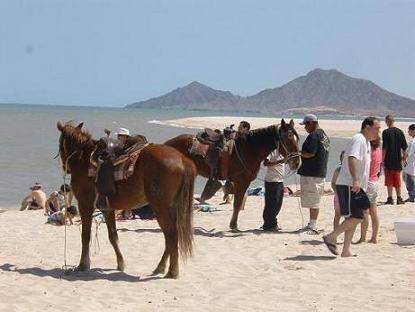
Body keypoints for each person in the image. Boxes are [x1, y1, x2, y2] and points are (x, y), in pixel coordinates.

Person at [323, 117, 380, 257]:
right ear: (367, 127)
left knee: (355, 217)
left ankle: (346, 250)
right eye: (377, 128)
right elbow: (352, 158)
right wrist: (355, 179)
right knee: (357, 217)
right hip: (349, 183)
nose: (379, 131)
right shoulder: (358, 139)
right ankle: (331, 237)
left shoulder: (366, 142)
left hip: (358, 185)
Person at [297, 114, 330, 233]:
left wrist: (298, 153)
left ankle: (313, 226)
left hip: (312, 173)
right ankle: (311, 223)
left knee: (314, 200)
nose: (305, 127)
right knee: (314, 199)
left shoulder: (314, 135)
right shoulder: (324, 135)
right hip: (319, 172)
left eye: (306, 124)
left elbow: (310, 153)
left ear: (311, 123)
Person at [355, 135, 382, 244]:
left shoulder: (368, 152)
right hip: (374, 181)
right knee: (374, 211)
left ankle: (363, 238)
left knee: (365, 212)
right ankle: (374, 237)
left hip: (366, 183)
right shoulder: (379, 150)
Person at [382, 114, 407, 205]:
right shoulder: (400, 132)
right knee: (397, 179)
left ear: (387, 121)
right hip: (397, 159)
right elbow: (404, 146)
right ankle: (399, 198)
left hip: (388, 159)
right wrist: (404, 157)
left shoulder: (386, 132)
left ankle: (390, 198)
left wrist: (382, 160)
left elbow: (385, 148)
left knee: (389, 180)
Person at [261, 149, 285, 231]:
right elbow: (265, 163)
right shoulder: (272, 151)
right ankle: (269, 224)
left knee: (278, 203)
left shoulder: (283, 152)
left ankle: (271, 223)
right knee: (271, 204)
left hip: (280, 180)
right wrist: (279, 161)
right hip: (271, 181)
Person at [331, 151, 345, 231]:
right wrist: (337, 192)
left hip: (348, 195)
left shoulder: (352, 170)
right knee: (337, 215)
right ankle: (335, 233)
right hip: (338, 195)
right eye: (343, 157)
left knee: (349, 217)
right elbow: (333, 183)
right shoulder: (338, 170)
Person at [403, 124, 415, 202]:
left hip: (411, 164)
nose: (408, 132)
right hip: (412, 164)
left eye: (409, 130)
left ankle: (412, 196)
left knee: (409, 180)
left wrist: (405, 160)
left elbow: (409, 153)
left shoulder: (413, 142)